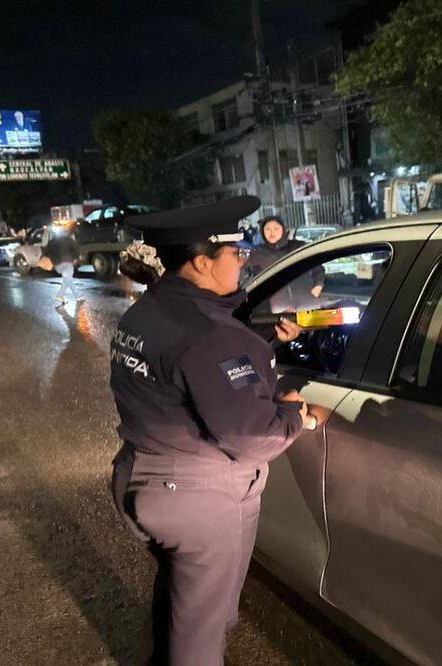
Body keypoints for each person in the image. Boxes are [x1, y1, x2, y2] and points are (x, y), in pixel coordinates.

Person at [108, 196, 309, 666]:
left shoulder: (145, 312)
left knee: (183, 605)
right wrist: (296, 415)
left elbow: (188, 369)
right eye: (235, 254)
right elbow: (251, 435)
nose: (242, 261)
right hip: (198, 496)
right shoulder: (210, 333)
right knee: (201, 634)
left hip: (141, 476)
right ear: (202, 261)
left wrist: (258, 345)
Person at [244, 215, 325, 311]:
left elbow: (318, 268)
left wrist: (317, 288)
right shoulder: (257, 253)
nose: (272, 232)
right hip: (277, 308)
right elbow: (249, 279)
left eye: (276, 229)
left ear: (283, 229)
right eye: (267, 229)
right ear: (262, 232)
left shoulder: (298, 247)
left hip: (307, 304)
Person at [44, 225, 81, 305]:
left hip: (57, 265)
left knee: (68, 280)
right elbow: (76, 248)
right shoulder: (68, 239)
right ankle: (60, 295)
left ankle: (77, 296)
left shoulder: (52, 242)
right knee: (68, 280)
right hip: (67, 263)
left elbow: (46, 252)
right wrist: (75, 258)